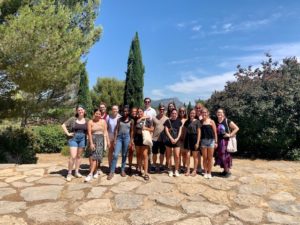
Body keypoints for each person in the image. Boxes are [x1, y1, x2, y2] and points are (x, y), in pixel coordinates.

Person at [61, 105, 88, 182]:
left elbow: (90, 128)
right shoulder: (73, 119)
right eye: (79, 110)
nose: (80, 111)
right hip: (74, 138)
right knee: (73, 156)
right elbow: (63, 125)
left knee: (79, 156)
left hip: (83, 138)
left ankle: (76, 171)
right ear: (77, 111)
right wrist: (68, 134)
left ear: (84, 111)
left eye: (82, 110)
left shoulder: (87, 120)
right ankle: (69, 173)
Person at [107, 106, 134, 180]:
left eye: (127, 111)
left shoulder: (131, 121)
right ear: (122, 112)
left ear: (129, 112)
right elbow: (116, 130)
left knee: (124, 155)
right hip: (119, 138)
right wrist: (115, 140)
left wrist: (131, 141)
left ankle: (122, 170)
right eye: (124, 111)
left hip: (127, 138)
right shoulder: (119, 120)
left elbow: (132, 131)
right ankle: (112, 172)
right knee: (115, 155)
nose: (125, 112)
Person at [85, 108, 110, 182]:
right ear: (94, 114)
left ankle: (90, 174)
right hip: (92, 139)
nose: (98, 115)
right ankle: (95, 171)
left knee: (96, 157)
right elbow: (89, 133)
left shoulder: (103, 121)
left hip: (100, 140)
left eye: (99, 114)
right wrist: (91, 143)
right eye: (96, 113)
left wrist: (108, 141)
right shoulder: (90, 122)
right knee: (91, 156)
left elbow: (105, 132)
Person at [215, 108, 239, 177]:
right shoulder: (217, 122)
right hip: (219, 141)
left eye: (221, 112)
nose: (219, 114)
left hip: (225, 142)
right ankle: (225, 170)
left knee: (225, 156)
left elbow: (236, 128)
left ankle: (228, 171)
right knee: (221, 156)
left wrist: (230, 135)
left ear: (223, 114)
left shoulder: (227, 121)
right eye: (218, 112)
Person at [133, 108, 154, 180]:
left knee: (145, 155)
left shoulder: (148, 120)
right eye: (138, 112)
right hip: (137, 138)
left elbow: (152, 129)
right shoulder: (136, 119)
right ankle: (139, 169)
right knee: (138, 154)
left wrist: (146, 128)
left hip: (144, 138)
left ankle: (146, 173)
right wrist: (132, 139)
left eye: (141, 111)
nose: (139, 113)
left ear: (143, 112)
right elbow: (134, 129)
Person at [164, 109, 183, 177]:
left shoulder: (179, 121)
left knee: (177, 156)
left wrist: (177, 139)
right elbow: (166, 131)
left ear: (177, 114)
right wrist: (171, 138)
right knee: (169, 156)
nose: (174, 114)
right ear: (171, 114)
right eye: (173, 113)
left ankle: (176, 170)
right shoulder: (167, 121)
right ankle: (170, 170)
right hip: (169, 140)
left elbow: (180, 131)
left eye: (175, 113)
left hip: (177, 140)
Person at [200, 108, 217, 179]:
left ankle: (209, 173)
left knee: (210, 158)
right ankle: (205, 172)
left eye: (205, 112)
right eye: (203, 112)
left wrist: (216, 142)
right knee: (204, 158)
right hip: (203, 141)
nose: (204, 114)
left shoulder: (211, 121)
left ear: (208, 113)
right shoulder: (201, 122)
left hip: (211, 141)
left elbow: (215, 132)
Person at [183, 109, 201, 176]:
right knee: (187, 156)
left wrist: (198, 142)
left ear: (195, 114)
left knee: (195, 156)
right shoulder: (187, 122)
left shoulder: (197, 122)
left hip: (195, 138)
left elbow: (199, 132)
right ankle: (188, 169)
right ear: (189, 114)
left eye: (193, 113)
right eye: (191, 113)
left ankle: (194, 170)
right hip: (187, 138)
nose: (192, 114)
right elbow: (184, 131)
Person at [151, 103, 168, 173]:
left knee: (162, 153)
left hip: (163, 139)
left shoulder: (167, 119)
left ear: (165, 110)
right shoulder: (154, 118)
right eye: (160, 109)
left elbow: (168, 129)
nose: (162, 110)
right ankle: (154, 165)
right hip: (154, 138)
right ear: (158, 110)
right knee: (154, 153)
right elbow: (152, 128)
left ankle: (161, 165)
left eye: (163, 109)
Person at [128, 107, 138, 174]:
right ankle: (130, 167)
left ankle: (138, 166)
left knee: (138, 153)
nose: (134, 112)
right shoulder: (129, 119)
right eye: (133, 111)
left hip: (138, 137)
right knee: (130, 152)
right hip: (130, 137)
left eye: (135, 111)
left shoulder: (139, 118)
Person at [178, 106, 187, 173]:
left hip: (184, 139)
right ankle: (178, 166)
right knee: (178, 154)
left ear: (185, 112)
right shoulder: (177, 119)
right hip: (178, 139)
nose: (182, 112)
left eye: (183, 111)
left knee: (184, 154)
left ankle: (184, 167)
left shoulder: (186, 120)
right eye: (180, 111)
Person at [195, 102, 204, 174]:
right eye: (197, 108)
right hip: (196, 137)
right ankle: (199, 167)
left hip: (204, 137)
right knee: (198, 153)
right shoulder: (194, 116)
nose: (198, 109)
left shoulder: (203, 116)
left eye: (199, 108)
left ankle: (206, 168)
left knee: (204, 153)